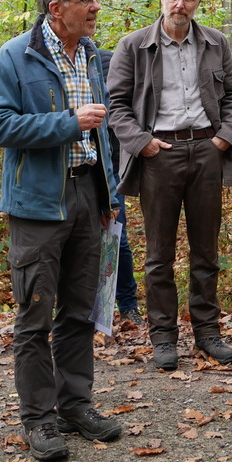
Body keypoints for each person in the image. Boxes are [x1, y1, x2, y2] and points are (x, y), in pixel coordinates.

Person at [0, 0, 124, 462]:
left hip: (89, 196)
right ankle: (39, 419)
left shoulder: (92, 56)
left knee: (80, 310)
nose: (95, 8)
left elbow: (105, 135)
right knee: (34, 315)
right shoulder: (16, 56)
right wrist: (67, 123)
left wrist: (111, 199)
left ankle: (76, 405)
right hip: (38, 204)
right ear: (56, 7)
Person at [108, 0, 232, 371]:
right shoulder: (133, 46)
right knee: (158, 255)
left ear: (198, 2)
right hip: (158, 155)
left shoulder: (216, 43)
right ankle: (163, 338)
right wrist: (143, 143)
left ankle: (207, 334)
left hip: (206, 151)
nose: (180, 4)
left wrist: (225, 137)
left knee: (206, 251)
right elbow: (116, 106)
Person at [97, 47, 143, 326]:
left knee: (115, 236)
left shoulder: (110, 60)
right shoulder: (53, 67)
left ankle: (127, 306)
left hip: (109, 166)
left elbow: (127, 109)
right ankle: (87, 311)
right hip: (69, 166)